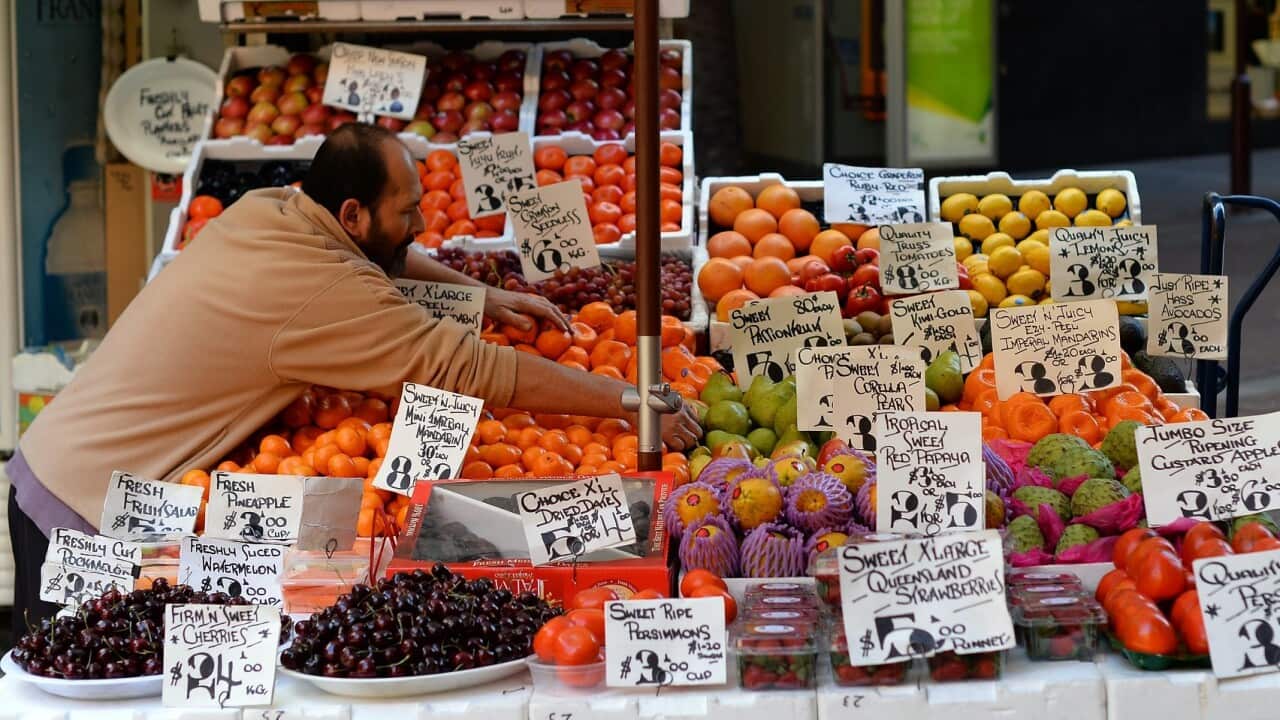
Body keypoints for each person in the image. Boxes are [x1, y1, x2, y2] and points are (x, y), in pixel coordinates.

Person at [7, 123, 700, 633]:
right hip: (86, 509)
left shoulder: (270, 208)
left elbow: (382, 255)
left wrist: (480, 293)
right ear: (352, 214)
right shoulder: (324, 293)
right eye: (408, 212)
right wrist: (631, 401)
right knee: (77, 685)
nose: (422, 224)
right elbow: (469, 368)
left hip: (63, 454)